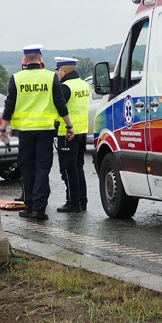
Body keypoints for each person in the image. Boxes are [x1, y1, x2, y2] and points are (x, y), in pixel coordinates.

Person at [0, 45, 74, 221]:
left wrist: (3, 128)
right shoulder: (50, 77)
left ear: (25, 60)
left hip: (24, 131)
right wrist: (69, 126)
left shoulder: (16, 79)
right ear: (40, 58)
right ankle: (39, 209)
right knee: (42, 168)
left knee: (27, 168)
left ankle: (30, 205)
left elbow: (9, 105)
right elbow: (60, 103)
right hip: (45, 131)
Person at [53, 57, 90, 212]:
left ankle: (72, 202)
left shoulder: (66, 87)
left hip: (68, 133)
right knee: (78, 167)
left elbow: (60, 108)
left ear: (65, 70)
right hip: (82, 132)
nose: (57, 74)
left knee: (68, 169)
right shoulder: (84, 84)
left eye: (59, 71)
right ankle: (82, 200)